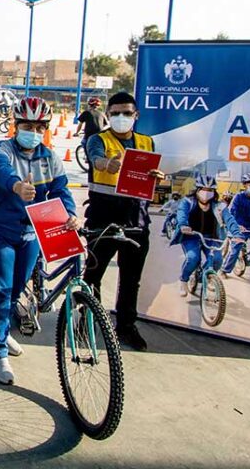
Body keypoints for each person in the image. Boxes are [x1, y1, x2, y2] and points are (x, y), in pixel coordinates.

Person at [0, 96, 78, 385]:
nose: (32, 131)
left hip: (32, 231)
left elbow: (61, 190)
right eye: (26, 125)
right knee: (0, 287)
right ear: (15, 125)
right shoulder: (3, 149)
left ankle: (1, 329)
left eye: (38, 126)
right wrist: (17, 186)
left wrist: (70, 214)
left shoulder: (50, 158)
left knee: (16, 289)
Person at [83, 91, 164, 352]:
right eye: (116, 113)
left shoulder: (146, 142)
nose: (121, 117)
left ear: (136, 115)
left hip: (136, 220)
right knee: (93, 274)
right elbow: (95, 159)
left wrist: (157, 178)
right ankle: (85, 322)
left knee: (131, 279)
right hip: (103, 219)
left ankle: (126, 326)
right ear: (107, 115)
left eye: (127, 113)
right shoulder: (99, 139)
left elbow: (150, 179)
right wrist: (107, 164)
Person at [170, 174, 241, 296]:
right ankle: (183, 280)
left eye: (210, 190)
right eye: (203, 189)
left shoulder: (219, 205)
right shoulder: (187, 202)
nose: (206, 192)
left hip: (211, 237)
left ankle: (207, 278)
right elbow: (182, 214)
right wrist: (183, 225)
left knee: (217, 260)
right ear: (197, 190)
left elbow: (229, 219)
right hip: (191, 236)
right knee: (193, 258)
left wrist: (237, 234)